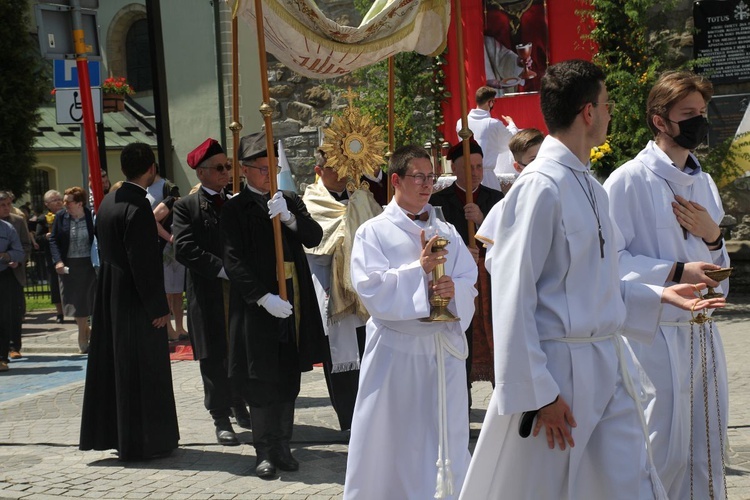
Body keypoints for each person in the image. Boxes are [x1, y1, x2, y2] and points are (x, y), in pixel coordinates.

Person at [459, 59, 726, 500]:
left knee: (630, 482)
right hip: (559, 373)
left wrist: (659, 295)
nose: (610, 113)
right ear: (587, 112)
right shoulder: (539, 187)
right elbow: (512, 294)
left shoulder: (589, 185)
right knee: (545, 490)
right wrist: (539, 394)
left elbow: (590, 286)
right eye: (606, 104)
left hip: (606, 364)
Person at [603, 70, 729, 499]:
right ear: (660, 120)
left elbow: (716, 264)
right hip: (653, 337)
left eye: (701, 113)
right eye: (687, 114)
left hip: (702, 333)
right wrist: (676, 272)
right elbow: (609, 263)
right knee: (660, 450)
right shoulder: (627, 181)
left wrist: (714, 237)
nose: (699, 121)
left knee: (705, 449)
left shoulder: (703, 181)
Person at [343, 145, 478, 500]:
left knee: (444, 435)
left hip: (441, 351)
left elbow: (469, 279)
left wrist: (454, 290)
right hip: (398, 354)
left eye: (431, 176)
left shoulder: (445, 227)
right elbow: (370, 289)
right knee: (398, 441)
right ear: (396, 180)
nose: (426, 184)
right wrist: (418, 271)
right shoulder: (373, 232)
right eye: (418, 176)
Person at [221, 131, 328, 478]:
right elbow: (233, 261)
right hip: (258, 306)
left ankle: (283, 445)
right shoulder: (234, 209)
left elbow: (314, 236)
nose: (269, 174)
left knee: (287, 377)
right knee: (261, 380)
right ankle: (263, 450)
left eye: (274, 167)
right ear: (245, 169)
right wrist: (262, 297)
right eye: (262, 168)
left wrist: (290, 219)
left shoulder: (288, 201)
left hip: (292, 301)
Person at [79, 142, 179, 461]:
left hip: (111, 293)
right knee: (142, 371)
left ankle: (121, 436)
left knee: (118, 369)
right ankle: (146, 441)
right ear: (151, 169)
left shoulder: (109, 202)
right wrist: (159, 309)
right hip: (136, 301)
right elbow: (144, 265)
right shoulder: (137, 209)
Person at [173, 138, 251, 446]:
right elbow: (184, 248)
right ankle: (220, 415)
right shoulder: (186, 206)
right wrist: (222, 268)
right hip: (207, 292)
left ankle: (239, 402)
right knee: (214, 354)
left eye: (228, 166)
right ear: (202, 173)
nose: (226, 172)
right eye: (219, 167)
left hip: (238, 292)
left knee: (239, 350)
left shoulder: (236, 202)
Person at [302, 149, 382, 431]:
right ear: (319, 168)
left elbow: (378, 231)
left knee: (369, 350)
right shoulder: (311, 201)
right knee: (339, 353)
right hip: (328, 283)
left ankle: (373, 415)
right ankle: (348, 419)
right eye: (333, 166)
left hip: (363, 288)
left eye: (344, 165)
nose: (341, 172)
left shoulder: (362, 197)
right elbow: (312, 243)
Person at [430, 139, 503, 392]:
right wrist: (459, 255)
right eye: (469, 166)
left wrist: (482, 223)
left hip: (491, 279)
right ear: (454, 167)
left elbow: (508, 237)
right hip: (457, 279)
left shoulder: (496, 198)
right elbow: (433, 239)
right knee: (464, 335)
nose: (474, 172)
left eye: (479, 166)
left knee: (494, 335)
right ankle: (462, 398)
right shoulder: (439, 201)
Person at [49, 187, 96, 354]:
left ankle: (84, 332)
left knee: (86, 298)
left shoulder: (91, 216)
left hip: (88, 263)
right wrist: (58, 261)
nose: (65, 204)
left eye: (68, 201)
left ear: (79, 203)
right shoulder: (62, 216)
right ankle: (83, 334)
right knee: (75, 300)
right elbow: (53, 239)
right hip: (69, 264)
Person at [455, 86, 518, 191]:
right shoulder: (494, 124)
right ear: (490, 102)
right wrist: (511, 124)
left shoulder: (461, 122)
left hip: (466, 176)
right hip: (486, 177)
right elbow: (511, 140)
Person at [0, 191, 31, 360]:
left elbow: (26, 246)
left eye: (8, 204)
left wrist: (17, 260)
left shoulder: (16, 222)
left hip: (13, 272)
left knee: (14, 310)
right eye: (3, 205)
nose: (6, 208)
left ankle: (14, 346)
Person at [35, 190, 65, 323]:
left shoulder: (67, 214)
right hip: (52, 256)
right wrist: (46, 237)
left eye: (59, 199)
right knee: (55, 285)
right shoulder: (43, 219)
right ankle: (60, 313)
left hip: (68, 253)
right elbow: (38, 238)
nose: (58, 201)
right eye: (54, 200)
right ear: (47, 204)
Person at [0, 215, 24, 373]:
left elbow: (19, 252)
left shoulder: (7, 228)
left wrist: (5, 256)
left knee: (3, 318)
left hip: (3, 276)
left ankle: (2, 358)